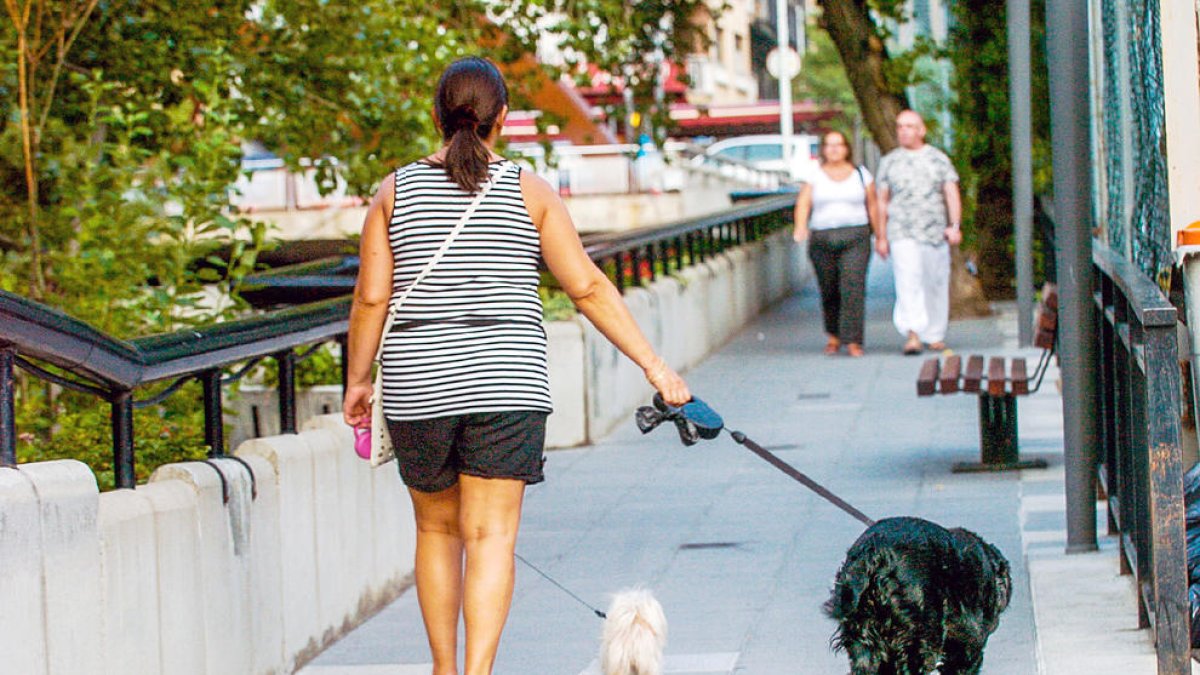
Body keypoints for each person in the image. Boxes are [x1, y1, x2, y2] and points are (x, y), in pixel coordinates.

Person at [341, 57, 690, 675]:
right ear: (504, 117)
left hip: (418, 383)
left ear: (437, 115)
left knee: (437, 534)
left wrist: (358, 381)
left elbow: (371, 298)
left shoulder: (394, 191)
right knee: (491, 539)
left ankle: (444, 672)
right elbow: (585, 287)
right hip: (507, 382)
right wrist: (656, 368)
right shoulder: (529, 190)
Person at [874, 110, 962, 355]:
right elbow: (882, 199)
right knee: (908, 279)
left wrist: (955, 225)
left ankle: (934, 333)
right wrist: (881, 235)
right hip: (902, 230)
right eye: (900, 126)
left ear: (921, 130)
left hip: (934, 231)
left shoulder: (938, 159)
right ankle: (912, 332)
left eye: (910, 126)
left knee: (934, 280)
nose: (904, 131)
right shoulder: (890, 161)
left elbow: (951, 192)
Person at [792, 130, 881, 357]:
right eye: (829, 145)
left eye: (839, 145)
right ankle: (834, 335)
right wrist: (800, 227)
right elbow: (803, 203)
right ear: (823, 149)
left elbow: (872, 205)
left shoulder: (861, 174)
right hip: (822, 237)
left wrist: (880, 235)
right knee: (829, 287)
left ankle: (853, 339)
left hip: (856, 236)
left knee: (853, 285)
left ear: (846, 148)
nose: (834, 149)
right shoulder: (814, 175)